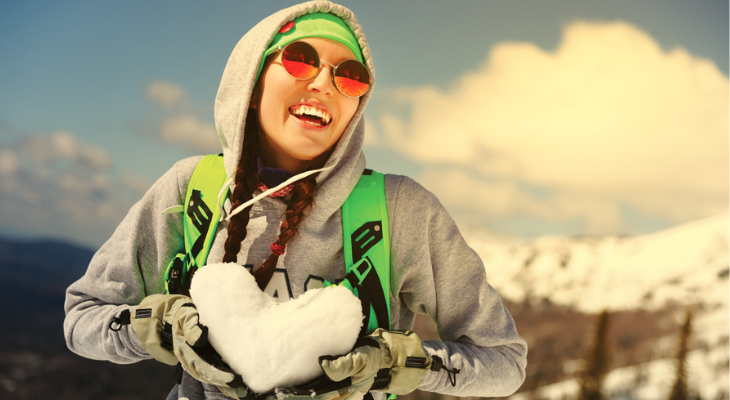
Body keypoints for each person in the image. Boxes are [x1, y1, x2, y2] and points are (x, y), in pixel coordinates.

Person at [64, 2, 528, 400]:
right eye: (301, 59)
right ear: (250, 81)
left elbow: (504, 362)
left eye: (350, 76)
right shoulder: (192, 190)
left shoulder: (401, 210)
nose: (326, 83)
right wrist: (162, 327)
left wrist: (395, 363)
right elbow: (83, 319)